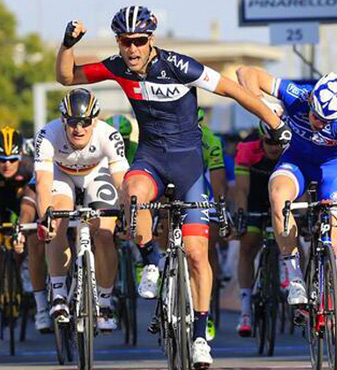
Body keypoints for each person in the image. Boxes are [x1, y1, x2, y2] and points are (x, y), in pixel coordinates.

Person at [55, 6, 285, 367]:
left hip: (188, 164)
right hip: (151, 159)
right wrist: (68, 44)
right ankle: (151, 260)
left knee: (196, 253)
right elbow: (67, 77)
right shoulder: (117, 66)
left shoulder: (180, 66)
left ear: (151, 40)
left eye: (139, 41)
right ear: (119, 42)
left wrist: (273, 121)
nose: (132, 49)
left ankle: (199, 337)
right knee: (131, 194)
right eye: (125, 41)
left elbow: (232, 91)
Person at [236, 66, 337, 343]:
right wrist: (262, 107)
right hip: (295, 163)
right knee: (278, 195)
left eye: (327, 120)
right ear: (311, 102)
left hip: (332, 172)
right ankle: (293, 272)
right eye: (317, 116)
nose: (320, 123)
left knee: (334, 244)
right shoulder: (298, 95)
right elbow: (244, 71)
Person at [34, 88, 129, 331]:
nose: (79, 128)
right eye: (73, 122)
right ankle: (58, 292)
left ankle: (105, 304)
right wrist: (46, 216)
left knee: (104, 234)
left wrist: (128, 212)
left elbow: (121, 181)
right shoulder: (47, 134)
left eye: (86, 122)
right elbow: (44, 183)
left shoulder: (109, 135)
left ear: (94, 120)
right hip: (61, 175)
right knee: (56, 220)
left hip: (97, 175)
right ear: (63, 120)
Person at [0, 127, 52, 332]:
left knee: (31, 235)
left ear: (20, 155)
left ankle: (26, 269)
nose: (6, 164)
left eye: (12, 159)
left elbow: (31, 203)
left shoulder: (30, 167)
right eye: (2, 159)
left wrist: (23, 228)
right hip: (3, 202)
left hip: (26, 202)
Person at [234, 119, 283, 337]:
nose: (274, 147)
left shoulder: (289, 149)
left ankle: (293, 281)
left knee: (292, 236)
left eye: (278, 143)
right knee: (248, 245)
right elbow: (242, 190)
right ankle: (245, 310)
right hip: (254, 196)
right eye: (269, 142)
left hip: (280, 197)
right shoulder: (247, 149)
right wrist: (242, 215)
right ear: (262, 139)